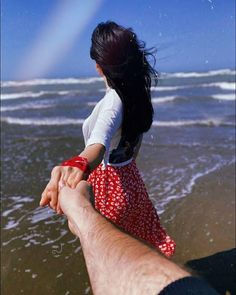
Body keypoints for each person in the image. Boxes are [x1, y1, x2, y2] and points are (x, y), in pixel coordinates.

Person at [40, 21, 175, 257]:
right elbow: (132, 147)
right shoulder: (137, 92)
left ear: (99, 65)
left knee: (107, 253)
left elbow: (98, 144)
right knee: (135, 251)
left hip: (110, 188)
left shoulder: (113, 101)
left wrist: (79, 164)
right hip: (131, 183)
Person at [58, 181, 219, 295]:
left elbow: (99, 142)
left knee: (118, 230)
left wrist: (81, 210)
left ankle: (83, 218)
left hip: (112, 185)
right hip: (129, 182)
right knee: (130, 233)